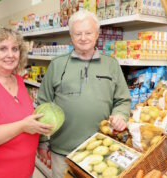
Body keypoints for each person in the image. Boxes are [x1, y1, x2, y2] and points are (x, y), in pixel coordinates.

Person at [37, 10, 131, 178]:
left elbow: (122, 99)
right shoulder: (57, 65)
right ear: (71, 36)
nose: (83, 38)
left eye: (88, 32)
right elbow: (43, 105)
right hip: (62, 150)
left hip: (101, 148)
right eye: (77, 33)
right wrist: (43, 142)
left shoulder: (111, 64)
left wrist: (120, 115)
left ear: (97, 34)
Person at [0, 27, 53, 178]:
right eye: (3, 49)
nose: (10, 55)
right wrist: (23, 126)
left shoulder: (18, 80)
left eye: (15, 49)